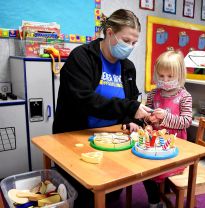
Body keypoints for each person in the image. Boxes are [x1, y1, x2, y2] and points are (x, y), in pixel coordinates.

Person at [53, 9, 152, 207]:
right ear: (109, 33)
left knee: (112, 195)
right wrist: (131, 107)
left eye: (134, 43)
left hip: (112, 141)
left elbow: (131, 98)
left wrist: (134, 120)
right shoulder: (81, 57)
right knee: (84, 197)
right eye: (126, 40)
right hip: (76, 137)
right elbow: (84, 99)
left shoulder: (128, 67)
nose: (130, 47)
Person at [143, 50, 192, 208]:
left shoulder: (184, 96)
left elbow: (186, 121)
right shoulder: (153, 94)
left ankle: (169, 194)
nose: (165, 80)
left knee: (159, 172)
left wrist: (165, 117)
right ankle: (155, 201)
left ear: (180, 75)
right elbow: (146, 114)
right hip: (155, 143)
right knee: (142, 170)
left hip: (175, 147)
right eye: (161, 76)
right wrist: (148, 122)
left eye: (170, 76)